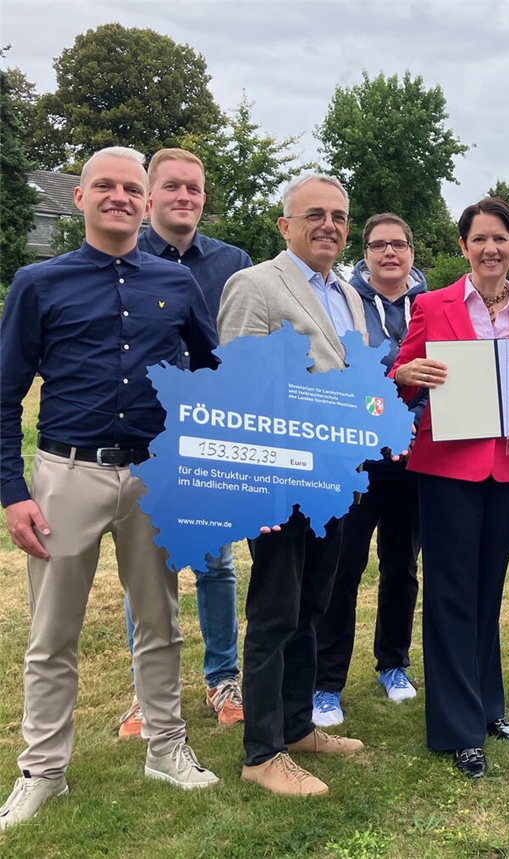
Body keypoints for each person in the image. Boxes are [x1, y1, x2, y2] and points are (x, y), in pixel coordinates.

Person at [0, 146, 220, 830]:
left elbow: (214, 376)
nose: (119, 196)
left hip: (154, 474)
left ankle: (166, 747)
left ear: (146, 202)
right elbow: (5, 393)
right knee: (52, 631)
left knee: (160, 620)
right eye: (105, 186)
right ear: (81, 197)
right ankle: (43, 770)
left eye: (131, 187)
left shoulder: (176, 283)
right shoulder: (38, 282)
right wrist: (12, 491)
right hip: (67, 475)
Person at [216, 173, 368, 796]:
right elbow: (237, 386)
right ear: (285, 226)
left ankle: (299, 726)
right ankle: (262, 753)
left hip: (335, 479)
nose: (329, 225)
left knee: (313, 604)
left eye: (338, 216)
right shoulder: (255, 284)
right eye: (314, 215)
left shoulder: (348, 294)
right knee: (275, 612)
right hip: (279, 481)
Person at [391, 197, 509, 779]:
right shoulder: (430, 305)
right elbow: (399, 379)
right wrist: (404, 375)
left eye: (500, 239)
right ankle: (458, 729)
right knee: (451, 594)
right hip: (446, 467)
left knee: (487, 590)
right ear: (463, 247)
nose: (490, 249)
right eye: (479, 239)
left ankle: (486, 705)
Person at [118, 147, 254, 738]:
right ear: (151, 196)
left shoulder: (233, 263)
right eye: (172, 186)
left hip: (210, 435)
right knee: (146, 567)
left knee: (215, 563)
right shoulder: (124, 255)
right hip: (144, 434)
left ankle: (223, 678)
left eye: (193, 188)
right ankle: (148, 691)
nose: (184, 197)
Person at [312, 213, 428, 726]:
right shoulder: (344, 303)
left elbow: (440, 375)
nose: (389, 253)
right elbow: (342, 374)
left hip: (413, 457)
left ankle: (393, 664)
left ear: (411, 252)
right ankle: (326, 683)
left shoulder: (430, 305)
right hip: (356, 459)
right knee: (343, 569)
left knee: (401, 566)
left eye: (398, 244)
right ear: (365, 254)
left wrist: (411, 427)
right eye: (379, 245)